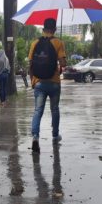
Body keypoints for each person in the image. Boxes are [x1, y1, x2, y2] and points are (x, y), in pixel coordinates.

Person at [28, 18, 67, 153]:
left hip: (38, 83)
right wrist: (59, 55)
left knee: (38, 111)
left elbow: (30, 65)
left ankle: (35, 137)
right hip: (54, 82)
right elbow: (63, 64)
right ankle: (55, 135)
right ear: (55, 29)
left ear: (43, 29)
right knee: (54, 110)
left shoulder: (35, 43)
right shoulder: (58, 42)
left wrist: (33, 81)